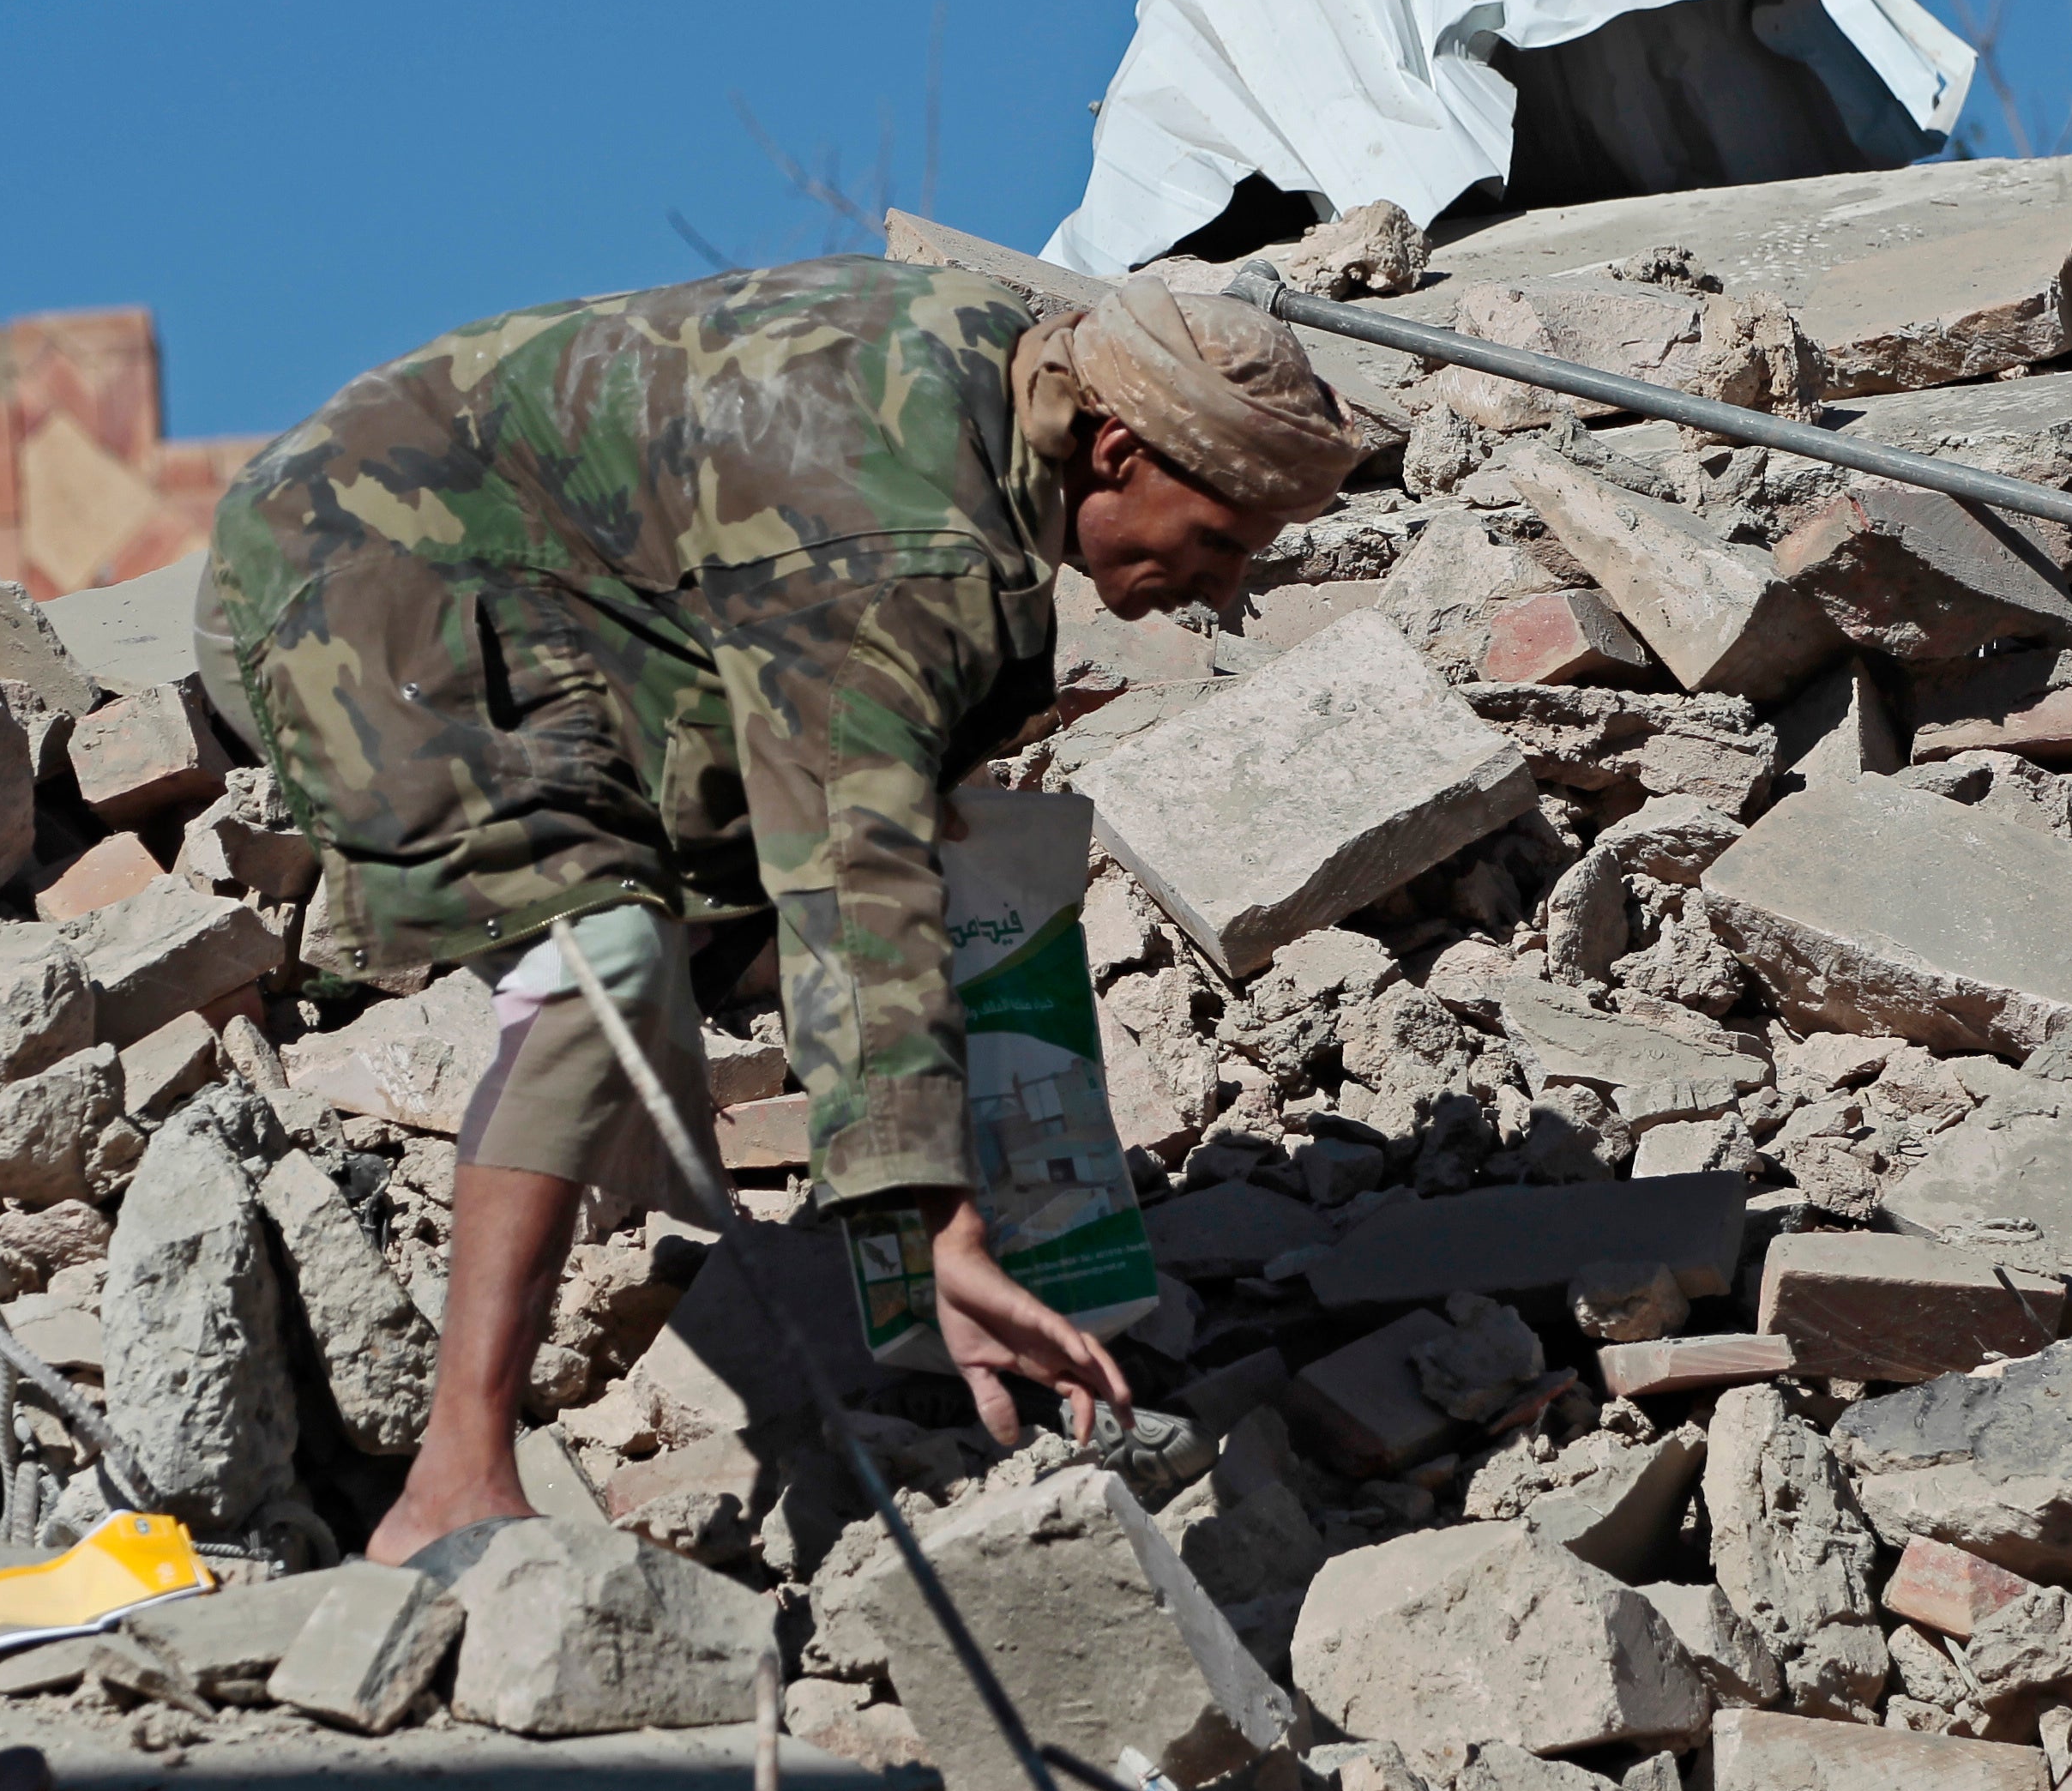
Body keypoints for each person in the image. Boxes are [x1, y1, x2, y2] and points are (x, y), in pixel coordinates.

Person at [205, 256, 1365, 1574]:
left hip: (566, 576)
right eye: (1217, 539)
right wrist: (928, 1219)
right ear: (1112, 448)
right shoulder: (903, 543)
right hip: (360, 562)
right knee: (611, 960)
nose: (1221, 591)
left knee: (793, 890)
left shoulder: (1017, 375)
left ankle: (636, 1150)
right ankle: (453, 1480)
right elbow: (848, 868)